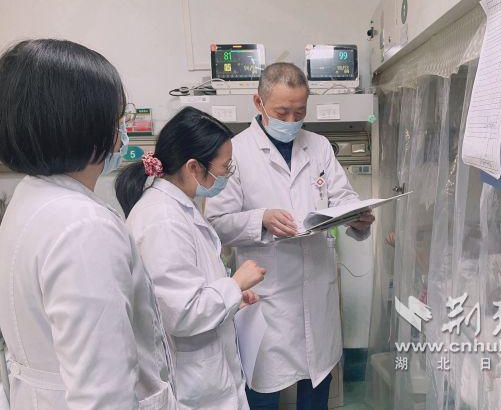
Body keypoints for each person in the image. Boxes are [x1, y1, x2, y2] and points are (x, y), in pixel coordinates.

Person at [0, 39, 177, 409]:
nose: (122, 131)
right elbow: (104, 394)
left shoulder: (32, 198)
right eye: (117, 119)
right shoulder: (83, 227)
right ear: (84, 122)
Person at [205, 63, 375, 409]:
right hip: (269, 297)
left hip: (317, 291)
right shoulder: (237, 151)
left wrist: (357, 219)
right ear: (259, 102)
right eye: (283, 112)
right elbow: (216, 223)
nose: (292, 119)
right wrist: (261, 219)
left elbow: (343, 198)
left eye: (300, 112)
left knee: (317, 386)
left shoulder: (319, 146)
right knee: (264, 390)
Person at [115, 107, 266, 410]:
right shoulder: (162, 219)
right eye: (225, 167)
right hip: (191, 384)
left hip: (205, 373)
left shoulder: (178, 207)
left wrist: (232, 297)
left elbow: (186, 287)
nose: (227, 174)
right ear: (194, 167)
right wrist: (234, 284)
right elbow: (181, 314)